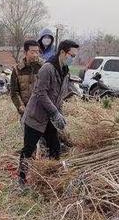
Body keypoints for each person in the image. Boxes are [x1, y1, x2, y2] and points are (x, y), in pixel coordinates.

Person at [19, 40, 79, 185]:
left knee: (55, 148)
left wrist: (60, 114)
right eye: (72, 55)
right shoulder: (48, 68)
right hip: (36, 116)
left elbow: (59, 97)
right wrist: (55, 113)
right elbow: (40, 93)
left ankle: (52, 177)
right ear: (63, 52)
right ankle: (21, 180)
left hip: (50, 119)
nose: (73, 59)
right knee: (28, 149)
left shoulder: (64, 71)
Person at [10, 39, 42, 117]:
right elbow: (14, 92)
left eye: (37, 52)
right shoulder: (17, 70)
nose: (35, 55)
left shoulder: (43, 67)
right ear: (25, 52)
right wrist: (21, 107)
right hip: (26, 111)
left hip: (41, 110)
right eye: (32, 52)